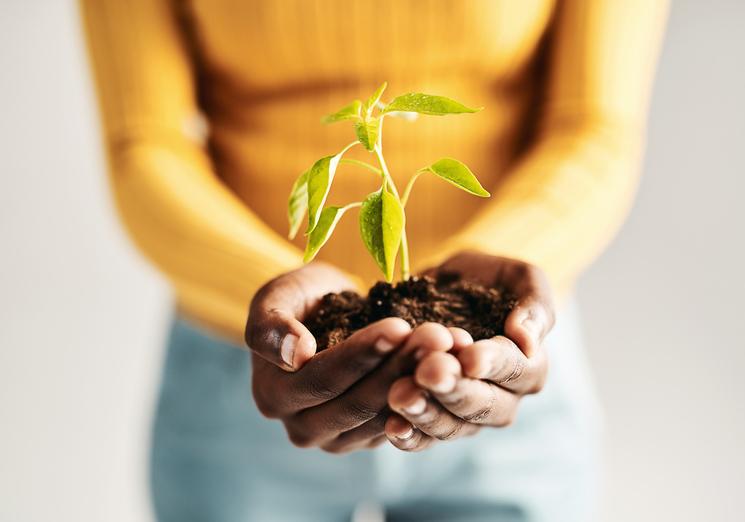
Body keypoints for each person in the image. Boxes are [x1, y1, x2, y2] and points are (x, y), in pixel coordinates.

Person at [81, 1, 668, 520]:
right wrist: (270, 295)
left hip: (499, 359)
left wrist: (507, 280)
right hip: (245, 360)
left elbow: (594, 125)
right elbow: (145, 141)